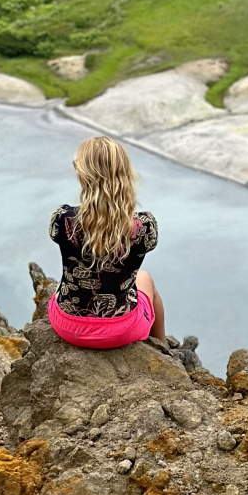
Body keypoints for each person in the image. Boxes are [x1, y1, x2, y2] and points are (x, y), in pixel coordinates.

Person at [47, 135, 165, 350]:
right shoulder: (144, 225)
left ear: (83, 176)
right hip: (122, 330)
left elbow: (60, 237)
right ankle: (162, 345)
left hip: (68, 326)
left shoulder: (62, 218)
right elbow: (146, 245)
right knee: (144, 277)